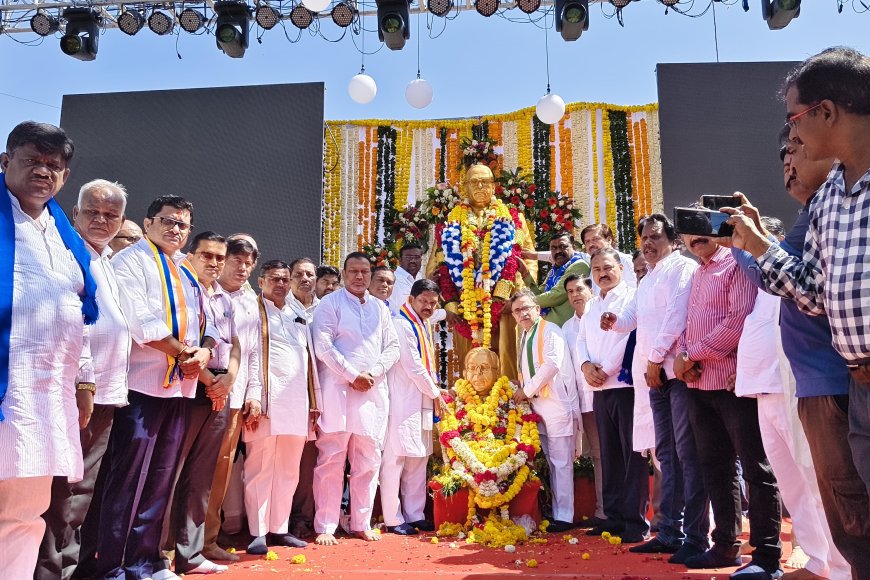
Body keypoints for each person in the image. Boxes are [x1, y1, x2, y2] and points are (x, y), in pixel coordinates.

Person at [727, 46, 870, 525]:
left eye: (795, 119)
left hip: (838, 384)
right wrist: (761, 247)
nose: (791, 134)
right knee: (857, 525)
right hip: (859, 382)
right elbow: (813, 293)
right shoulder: (828, 198)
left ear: (827, 112)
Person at [75, 195, 216, 580]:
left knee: (161, 477)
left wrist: (203, 351)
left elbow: (209, 322)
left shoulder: (185, 270)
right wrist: (185, 352)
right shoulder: (130, 261)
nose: (175, 230)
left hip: (180, 388)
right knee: (126, 479)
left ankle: (148, 561)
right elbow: (142, 322)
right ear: (148, 222)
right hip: (141, 387)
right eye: (168, 221)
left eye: (183, 224)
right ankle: (113, 564)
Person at [0, 122, 97, 578]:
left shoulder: (65, 236)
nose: (44, 171)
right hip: (7, 386)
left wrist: (83, 378)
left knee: (25, 510)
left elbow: (74, 312)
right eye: (32, 160)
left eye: (54, 166)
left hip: (42, 400)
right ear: (5, 162)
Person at [729, 215, 850, 580]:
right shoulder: (762, 279)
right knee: (792, 485)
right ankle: (818, 561)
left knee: (816, 483)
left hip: (795, 389)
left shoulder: (786, 269)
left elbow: (757, 267)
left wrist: (742, 246)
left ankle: (842, 567)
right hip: (764, 391)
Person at [36, 179, 131, 580]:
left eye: (110, 215)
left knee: (83, 491)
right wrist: (84, 386)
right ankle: (49, 571)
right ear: (75, 213)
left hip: (107, 393)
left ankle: (70, 567)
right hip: (78, 393)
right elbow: (75, 324)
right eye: (92, 211)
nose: (100, 220)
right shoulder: (67, 254)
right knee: (63, 493)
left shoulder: (106, 259)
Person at [601, 214, 709, 565]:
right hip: (655, 378)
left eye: (655, 237)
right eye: (644, 238)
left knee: (687, 455)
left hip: (677, 375)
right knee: (666, 456)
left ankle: (696, 536)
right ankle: (669, 532)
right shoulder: (646, 279)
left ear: (674, 240)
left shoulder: (683, 268)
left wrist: (655, 358)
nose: (647, 243)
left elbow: (677, 317)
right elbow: (633, 317)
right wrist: (615, 322)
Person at [673, 232, 781, 578]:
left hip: (735, 383)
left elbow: (738, 320)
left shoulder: (736, 262)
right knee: (715, 469)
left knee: (755, 469)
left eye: (700, 226)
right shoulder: (698, 271)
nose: (694, 237)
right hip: (699, 384)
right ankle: (724, 546)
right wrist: (682, 356)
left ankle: (767, 554)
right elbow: (688, 325)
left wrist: (691, 354)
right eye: (687, 230)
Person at [157, 231, 240, 576]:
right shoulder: (180, 289)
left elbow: (233, 344)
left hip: (219, 387)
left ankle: (189, 554)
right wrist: (211, 383)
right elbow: (182, 345)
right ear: (191, 254)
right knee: (169, 473)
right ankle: (157, 552)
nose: (214, 263)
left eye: (220, 257)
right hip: (189, 386)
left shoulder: (224, 299)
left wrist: (228, 381)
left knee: (201, 475)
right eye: (207, 255)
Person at [310, 252, 400, 546]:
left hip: (372, 394)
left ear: (371, 274)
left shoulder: (380, 308)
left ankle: (361, 521)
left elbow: (392, 347)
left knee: (368, 461)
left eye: (364, 272)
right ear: (344, 273)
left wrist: (372, 373)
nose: (359, 277)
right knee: (331, 461)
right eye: (353, 272)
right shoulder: (329, 304)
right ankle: (326, 524)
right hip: (339, 392)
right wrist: (352, 375)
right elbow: (323, 346)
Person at [431, 163, 536, 379]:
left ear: (494, 186)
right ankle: (470, 407)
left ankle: (508, 404)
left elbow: (526, 258)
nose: (480, 186)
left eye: (485, 182)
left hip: (506, 303)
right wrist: (450, 304)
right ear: (466, 187)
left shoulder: (512, 217)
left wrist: (517, 299)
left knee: (507, 357)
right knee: (471, 361)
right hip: (464, 305)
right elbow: (436, 266)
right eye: (474, 182)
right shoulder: (452, 221)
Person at [242, 259, 318, 554]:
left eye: (285, 279)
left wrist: (314, 403)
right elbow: (251, 356)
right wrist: (254, 397)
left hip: (297, 404)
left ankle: (280, 528)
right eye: (275, 279)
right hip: (265, 402)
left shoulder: (297, 312)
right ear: (261, 282)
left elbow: (308, 362)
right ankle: (257, 532)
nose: (281, 285)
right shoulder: (254, 311)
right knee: (260, 467)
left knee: (289, 470)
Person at [576, 249, 648, 543]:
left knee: (632, 455)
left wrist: (605, 369)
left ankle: (635, 521)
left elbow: (626, 338)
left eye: (607, 268)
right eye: (596, 270)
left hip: (623, 386)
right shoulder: (592, 306)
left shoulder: (632, 297)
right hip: (600, 389)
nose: (602, 273)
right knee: (610, 455)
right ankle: (614, 517)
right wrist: (584, 366)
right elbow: (581, 340)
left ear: (621, 267)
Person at [202, 236, 263, 563]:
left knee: (220, 472)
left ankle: (208, 538)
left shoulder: (251, 301)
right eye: (236, 260)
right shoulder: (206, 292)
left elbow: (252, 353)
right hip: (204, 392)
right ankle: (173, 541)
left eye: (248, 262)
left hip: (236, 398)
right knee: (192, 470)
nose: (242, 267)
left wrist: (253, 393)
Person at [380, 279, 447, 535]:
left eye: (433, 302)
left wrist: (433, 394)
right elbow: (413, 366)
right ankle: (393, 518)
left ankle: (415, 514)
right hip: (403, 401)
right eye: (423, 301)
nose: (428, 306)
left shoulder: (423, 324)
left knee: (419, 457)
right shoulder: (402, 324)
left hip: (422, 400)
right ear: (411, 300)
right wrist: (436, 393)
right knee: (396, 459)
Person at [509, 289, 579, 533]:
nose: (523, 313)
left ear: (537, 309)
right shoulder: (525, 336)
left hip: (557, 404)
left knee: (561, 462)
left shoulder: (550, 331)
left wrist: (525, 391)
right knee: (550, 460)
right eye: (517, 310)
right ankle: (556, 511)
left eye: (527, 307)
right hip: (539, 405)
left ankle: (565, 516)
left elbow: (551, 364)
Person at [560, 275, 605, 527]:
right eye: (570, 291)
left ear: (590, 290)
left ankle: (624, 511)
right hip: (585, 401)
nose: (575, 295)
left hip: (608, 393)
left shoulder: (603, 316)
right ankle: (602, 512)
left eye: (579, 289)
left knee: (621, 454)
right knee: (599, 455)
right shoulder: (566, 328)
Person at [285, 257, 320, 540]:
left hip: (319, 394)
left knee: (310, 461)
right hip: (287, 394)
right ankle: (274, 519)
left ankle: (302, 518)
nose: (305, 279)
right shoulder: (280, 307)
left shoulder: (325, 309)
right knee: (283, 460)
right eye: (299, 274)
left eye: (310, 274)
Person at [518, 232, 591, 326]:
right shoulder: (555, 270)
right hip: (548, 328)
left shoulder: (579, 265)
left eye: (563, 246)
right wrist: (525, 274)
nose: (557, 251)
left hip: (567, 330)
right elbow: (540, 294)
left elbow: (555, 296)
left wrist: (522, 304)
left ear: (572, 246)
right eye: (554, 248)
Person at [579, 224, 637, 294]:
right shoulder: (592, 266)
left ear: (609, 240)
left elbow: (634, 291)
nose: (591, 244)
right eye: (587, 241)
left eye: (595, 239)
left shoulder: (625, 260)